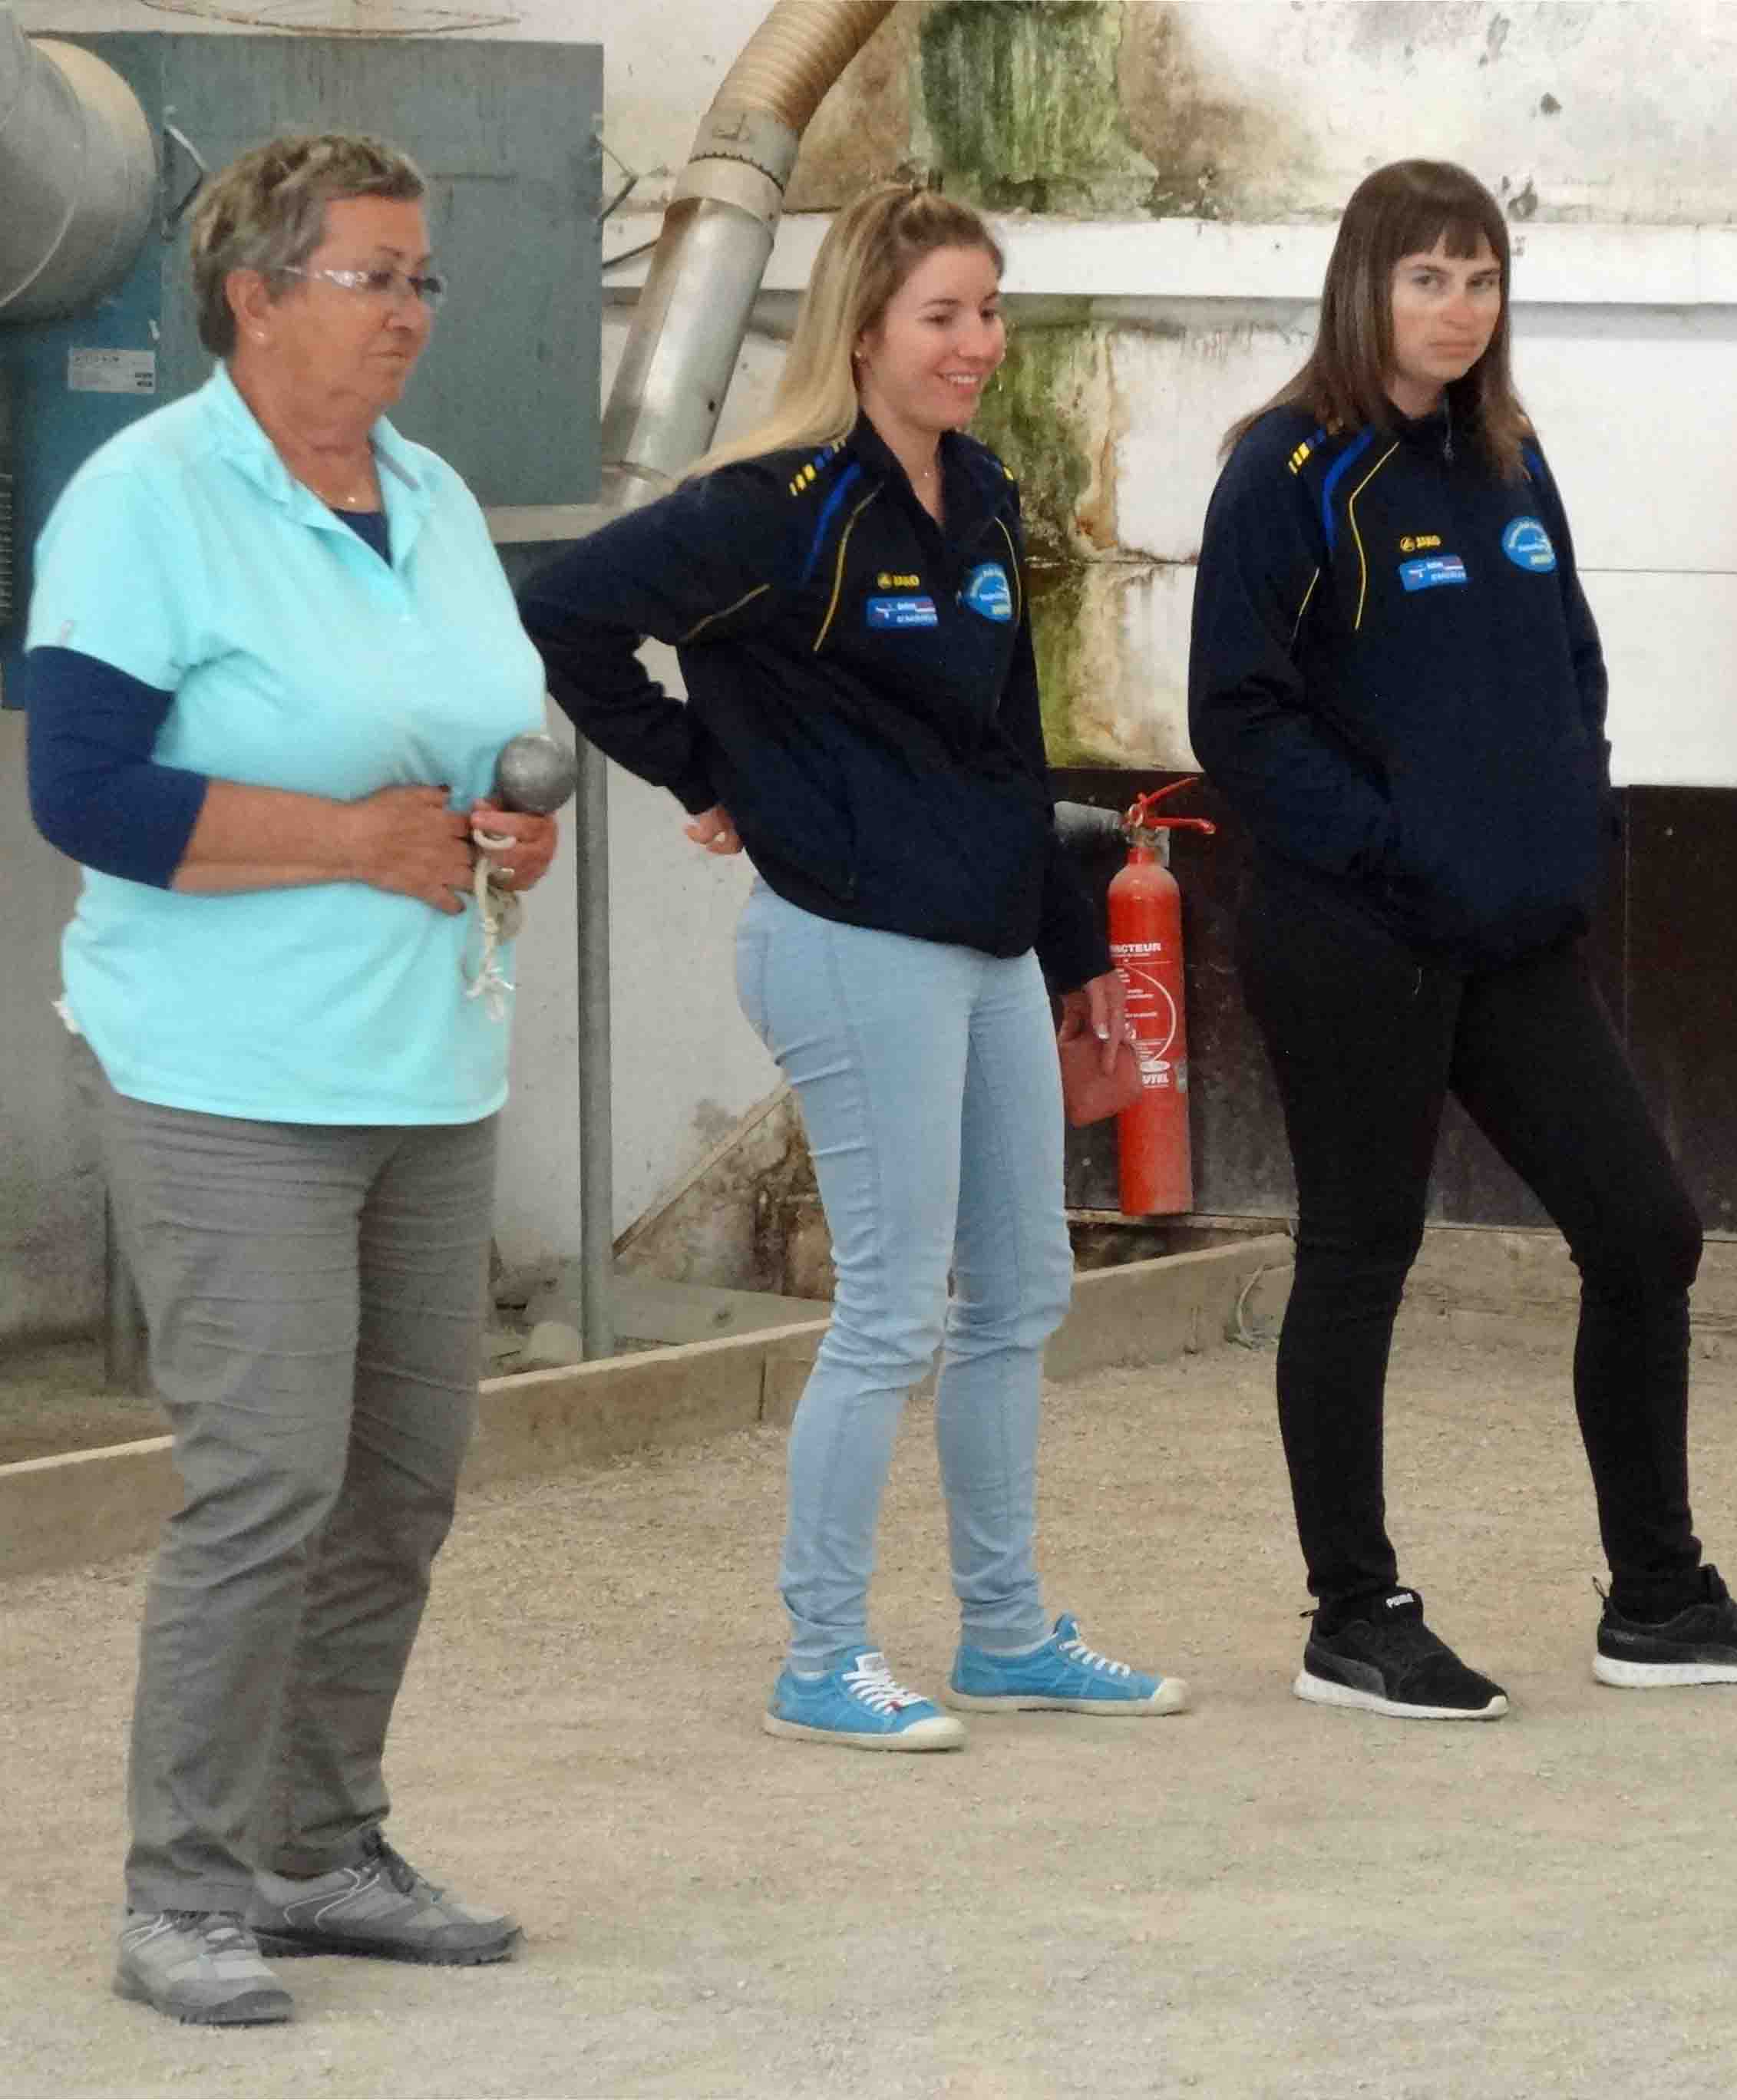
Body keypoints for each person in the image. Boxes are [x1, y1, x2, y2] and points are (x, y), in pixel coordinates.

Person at [520, 183, 1187, 1752]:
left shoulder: (979, 493)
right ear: (865, 329)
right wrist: (706, 771)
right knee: (891, 1310)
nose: (977, 343)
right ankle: (821, 1656)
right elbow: (567, 613)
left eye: (987, 310)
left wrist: (1077, 944)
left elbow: (1005, 744)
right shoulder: (774, 501)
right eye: (944, 315)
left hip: (985, 940)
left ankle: (1008, 1630)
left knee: (1020, 1291)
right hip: (844, 945)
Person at [1188, 159, 1737, 1722]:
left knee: (1643, 1231)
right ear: (1363, 287)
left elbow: (1568, 660)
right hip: (1354, 935)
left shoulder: (1503, 455)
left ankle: (1659, 1600)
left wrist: (1575, 815)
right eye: (1426, 279)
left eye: (1480, 279)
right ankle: (1354, 1615)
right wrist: (1396, 847)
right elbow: (1240, 715)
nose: (1458, 310)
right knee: (1363, 1252)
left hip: (1507, 930)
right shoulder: (1286, 469)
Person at [25, 133, 556, 2024]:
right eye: (374, 277)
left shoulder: (427, 486)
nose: (412, 312)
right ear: (255, 296)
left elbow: (475, 744)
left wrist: (497, 833)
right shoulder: (148, 496)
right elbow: (80, 791)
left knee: (399, 1481)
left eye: (425, 280)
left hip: (423, 1057)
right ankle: (178, 1896)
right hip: (225, 1072)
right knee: (264, 1480)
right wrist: (354, 843)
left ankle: (317, 1850)